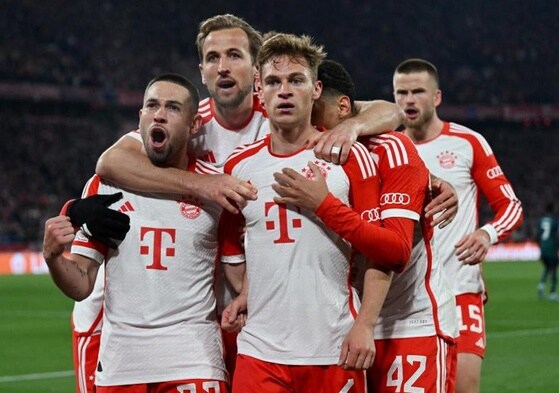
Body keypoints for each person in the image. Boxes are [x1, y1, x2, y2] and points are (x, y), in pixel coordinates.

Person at [68, 13, 405, 391]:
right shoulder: (189, 120)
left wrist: (353, 129)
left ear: (254, 69)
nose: (223, 67)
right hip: (212, 319)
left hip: (293, 323)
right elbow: (111, 163)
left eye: (234, 55)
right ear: (203, 70)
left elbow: (388, 111)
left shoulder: (294, 115)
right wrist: (205, 186)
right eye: (213, 58)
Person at [219, 32, 410, 393]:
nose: (285, 91)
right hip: (260, 352)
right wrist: (246, 289)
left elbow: (382, 253)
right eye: (274, 82)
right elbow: (229, 241)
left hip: (333, 347)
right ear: (260, 91)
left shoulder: (349, 158)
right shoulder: (239, 165)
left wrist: (365, 325)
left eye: (296, 80)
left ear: (316, 89)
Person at [43, 73, 237, 392]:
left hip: (192, 360)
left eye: (173, 107)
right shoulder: (105, 186)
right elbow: (81, 282)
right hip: (121, 364)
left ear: (194, 125)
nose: (159, 113)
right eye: (152, 105)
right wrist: (52, 257)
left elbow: (237, 268)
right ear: (141, 118)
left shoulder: (217, 189)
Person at [274, 59, 459, 392]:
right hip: (339, 327)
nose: (305, 117)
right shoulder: (295, 152)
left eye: (314, 108)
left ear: (342, 107)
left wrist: (324, 205)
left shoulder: (391, 150)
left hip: (409, 323)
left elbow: (395, 250)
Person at [391, 59, 524, 393]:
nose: (409, 100)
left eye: (418, 92)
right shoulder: (387, 149)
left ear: (436, 97)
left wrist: (486, 233)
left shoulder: (468, 143)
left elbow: (510, 205)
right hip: (408, 298)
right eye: (401, 93)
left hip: (460, 291)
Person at [536, 202, 558, 301]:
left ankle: (541, 285)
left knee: (547, 268)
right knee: (553, 269)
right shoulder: (555, 221)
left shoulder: (541, 220)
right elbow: (557, 235)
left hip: (543, 248)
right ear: (553, 209)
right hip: (551, 248)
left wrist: (540, 248)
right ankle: (553, 292)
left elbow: (538, 236)